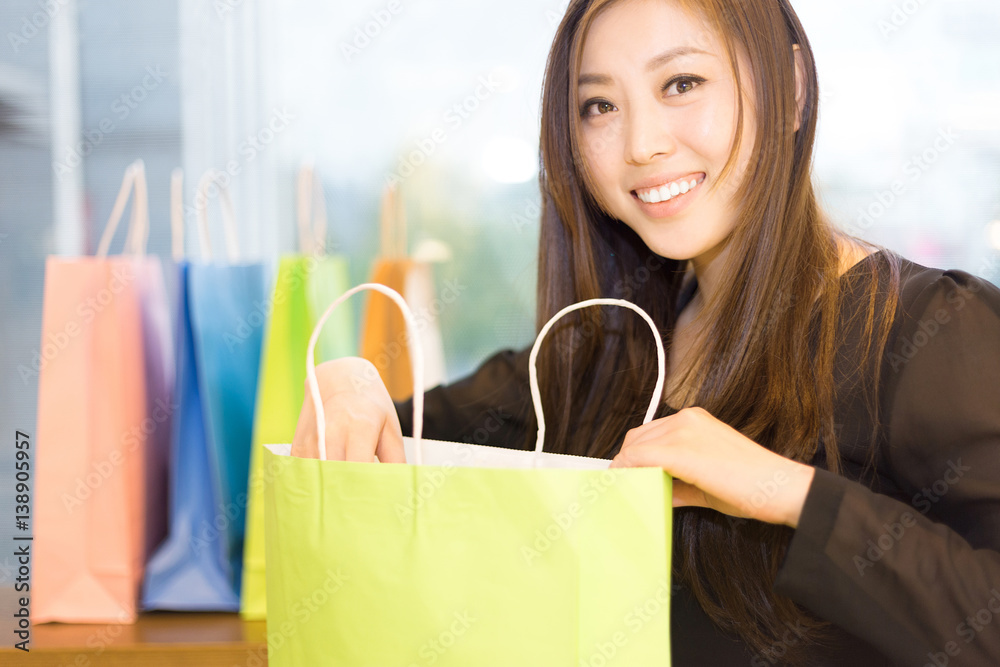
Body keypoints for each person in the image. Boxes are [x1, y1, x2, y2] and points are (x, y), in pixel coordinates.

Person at [291, 0, 1000, 664]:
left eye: (682, 82)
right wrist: (349, 380)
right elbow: (393, 445)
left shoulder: (930, 331)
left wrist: (787, 492)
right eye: (600, 106)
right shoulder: (605, 349)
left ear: (789, 88)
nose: (641, 144)